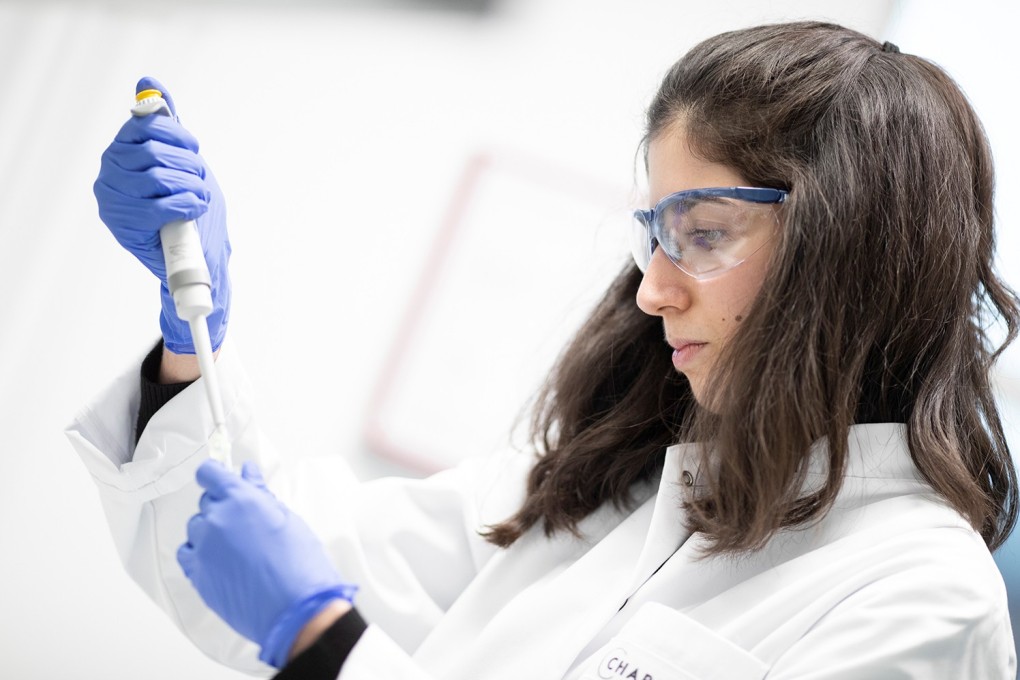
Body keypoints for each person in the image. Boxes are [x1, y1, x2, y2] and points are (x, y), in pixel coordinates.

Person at [69, 20, 1018, 679]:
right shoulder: (627, 495)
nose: (652, 290)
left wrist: (317, 636)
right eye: (657, 230)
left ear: (848, 249)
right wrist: (190, 345)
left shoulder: (919, 602)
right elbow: (245, 552)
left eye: (707, 231)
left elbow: (306, 605)